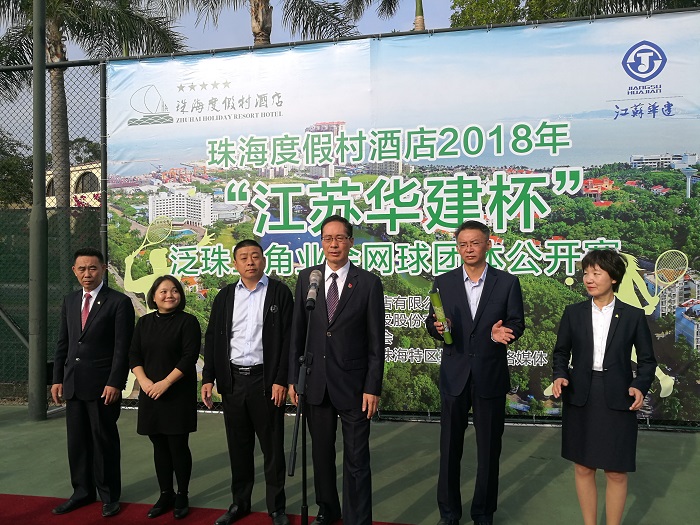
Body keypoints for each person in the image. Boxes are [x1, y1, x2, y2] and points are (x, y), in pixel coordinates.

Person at [425, 220, 525, 525]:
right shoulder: (443, 282)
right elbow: (431, 322)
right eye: (463, 244)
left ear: (488, 245)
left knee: (489, 451)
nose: (469, 249)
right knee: (449, 449)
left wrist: (500, 335)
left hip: (489, 375)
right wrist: (438, 327)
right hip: (454, 375)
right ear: (457, 247)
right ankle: (449, 514)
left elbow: (516, 322)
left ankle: (483, 513)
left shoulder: (506, 282)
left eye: (475, 243)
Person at [288, 214, 385, 525]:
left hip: (355, 386)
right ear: (321, 242)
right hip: (315, 383)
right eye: (327, 238)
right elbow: (298, 332)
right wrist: (294, 380)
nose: (333, 244)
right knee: (321, 455)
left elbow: (376, 341)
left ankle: (358, 519)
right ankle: (327, 509)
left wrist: (372, 386)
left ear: (350, 242)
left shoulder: (368, 283)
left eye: (340, 238)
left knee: (357, 458)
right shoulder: (308, 278)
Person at [552, 249, 657, 525]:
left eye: (596, 273)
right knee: (583, 467)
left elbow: (647, 361)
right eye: (586, 273)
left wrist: (639, 386)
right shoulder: (573, 313)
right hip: (581, 396)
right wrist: (560, 375)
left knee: (616, 471)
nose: (589, 279)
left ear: (613, 278)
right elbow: (561, 353)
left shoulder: (633, 316)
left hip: (618, 397)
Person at [202, 239, 293, 525]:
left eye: (255, 256)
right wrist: (208, 377)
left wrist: (281, 379)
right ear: (235, 263)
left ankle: (276, 507)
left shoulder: (279, 292)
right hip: (233, 381)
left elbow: (289, 340)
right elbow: (213, 338)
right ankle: (239, 503)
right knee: (239, 447)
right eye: (243, 257)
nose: (250, 261)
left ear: (264, 260)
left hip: (266, 381)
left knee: (272, 448)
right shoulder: (225, 296)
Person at [51, 247, 135, 518]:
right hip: (74, 384)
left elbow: (122, 348)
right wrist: (57, 379)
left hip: (102, 387)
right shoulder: (70, 301)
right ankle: (82, 492)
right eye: (81, 269)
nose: (87, 273)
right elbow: (64, 343)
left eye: (92, 268)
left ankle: (109, 496)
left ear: (102, 269)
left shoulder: (119, 302)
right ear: (74, 271)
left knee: (103, 442)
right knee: (77, 443)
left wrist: (115, 382)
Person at [129, 275, 201, 519]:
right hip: (151, 392)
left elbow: (189, 357)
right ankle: (165, 494)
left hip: (177, 393)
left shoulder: (188, 322)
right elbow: (134, 355)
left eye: (174, 291)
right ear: (154, 296)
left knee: (178, 445)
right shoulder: (144, 323)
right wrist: (144, 382)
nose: (169, 295)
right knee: (158, 444)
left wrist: (166, 383)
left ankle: (182, 494)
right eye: (163, 291)